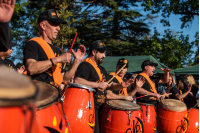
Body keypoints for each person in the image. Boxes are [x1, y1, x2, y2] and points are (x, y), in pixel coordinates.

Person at [74, 40, 136, 133]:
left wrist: (122, 85)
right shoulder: (85, 65)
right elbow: (77, 80)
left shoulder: (101, 69)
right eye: (102, 52)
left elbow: (110, 85)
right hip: (90, 108)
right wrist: (98, 84)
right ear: (94, 52)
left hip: (102, 107)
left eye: (105, 53)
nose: (104, 55)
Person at [23, 9, 86, 89]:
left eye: (58, 25)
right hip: (38, 96)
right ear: (43, 25)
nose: (58, 28)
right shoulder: (33, 44)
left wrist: (77, 61)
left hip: (54, 97)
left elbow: (64, 79)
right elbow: (31, 68)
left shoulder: (57, 51)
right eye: (54, 24)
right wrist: (58, 59)